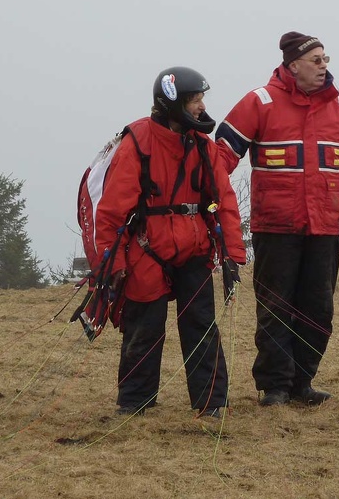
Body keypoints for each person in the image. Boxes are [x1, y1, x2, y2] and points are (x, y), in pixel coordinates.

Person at [215, 31, 339, 407]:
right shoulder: (259, 102)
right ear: (293, 65)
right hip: (275, 226)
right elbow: (220, 155)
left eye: (326, 60)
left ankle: (303, 382)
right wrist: (214, 203)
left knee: (318, 307)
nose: (323, 67)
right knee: (275, 306)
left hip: (323, 227)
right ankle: (275, 386)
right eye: (316, 60)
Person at [92, 66, 246, 420]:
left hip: (194, 248)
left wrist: (233, 254)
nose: (201, 106)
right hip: (148, 250)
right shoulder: (138, 143)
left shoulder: (203, 146)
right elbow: (112, 211)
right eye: (195, 100)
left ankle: (211, 402)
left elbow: (224, 200)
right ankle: (134, 401)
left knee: (202, 325)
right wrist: (111, 265)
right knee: (144, 327)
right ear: (173, 103)